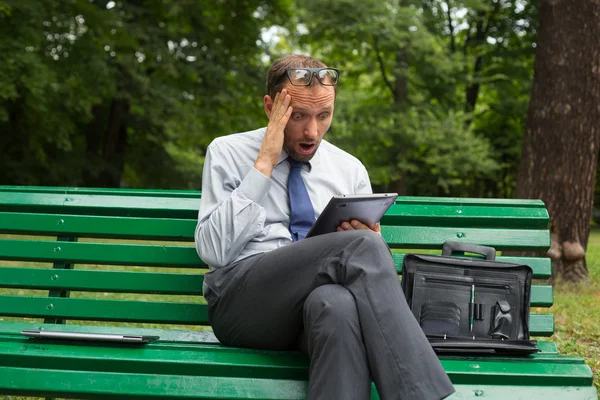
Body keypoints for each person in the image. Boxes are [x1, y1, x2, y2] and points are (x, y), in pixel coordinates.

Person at [195, 54, 454, 400]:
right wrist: (264, 165)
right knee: (360, 248)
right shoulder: (227, 151)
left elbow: (364, 269)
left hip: (308, 313)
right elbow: (213, 251)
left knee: (336, 306)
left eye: (323, 116)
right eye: (298, 116)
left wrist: (370, 239)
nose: (311, 131)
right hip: (242, 305)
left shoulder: (348, 169)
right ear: (271, 107)